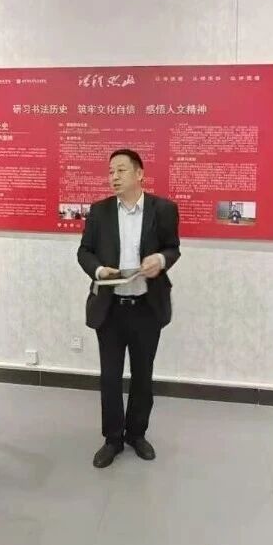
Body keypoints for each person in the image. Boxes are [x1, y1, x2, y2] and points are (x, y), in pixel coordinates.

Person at [76, 149, 181, 469]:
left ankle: (137, 434)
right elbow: (84, 252)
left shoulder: (163, 209)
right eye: (110, 172)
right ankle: (112, 439)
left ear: (139, 174)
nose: (114, 177)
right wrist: (99, 271)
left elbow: (173, 248)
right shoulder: (100, 211)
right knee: (110, 377)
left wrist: (160, 260)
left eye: (121, 170)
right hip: (111, 307)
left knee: (142, 375)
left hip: (146, 307)